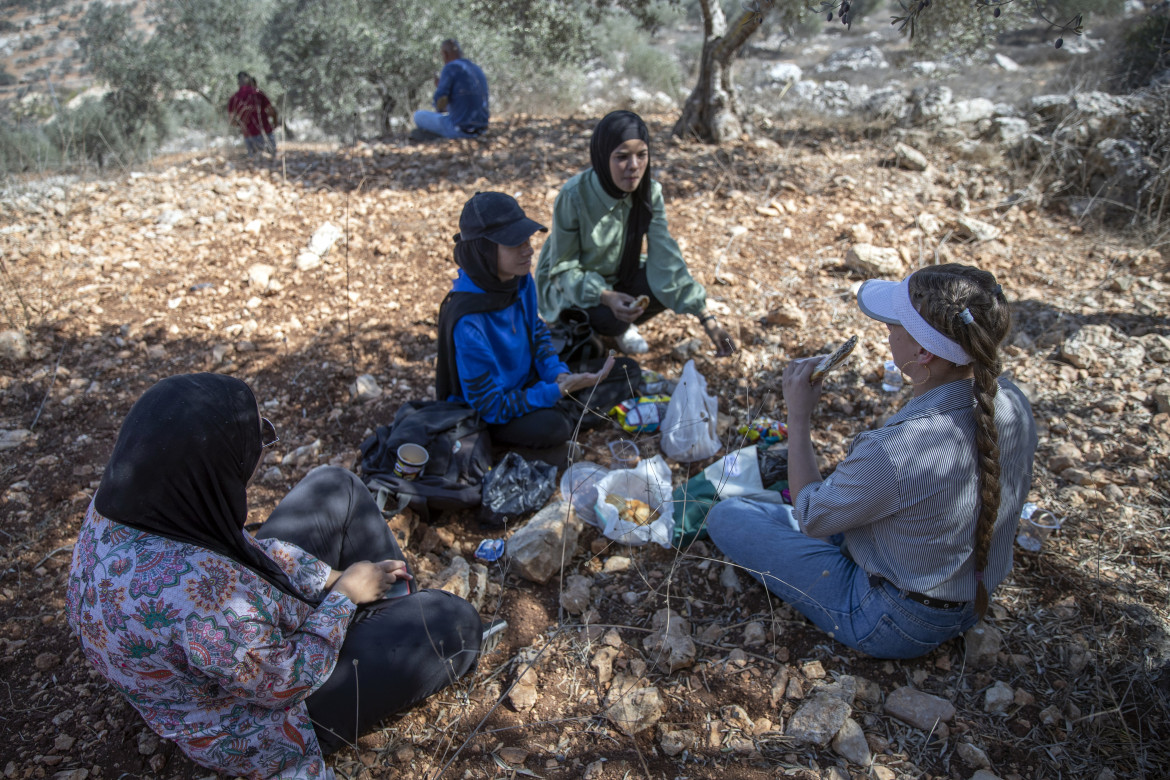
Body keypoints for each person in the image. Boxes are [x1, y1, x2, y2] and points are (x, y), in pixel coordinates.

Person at [65, 374, 485, 778]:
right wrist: (344, 596)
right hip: (258, 719)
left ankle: (391, 616)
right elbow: (283, 683)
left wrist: (329, 577)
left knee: (335, 484)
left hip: (239, 646)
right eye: (253, 444)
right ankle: (403, 628)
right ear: (210, 467)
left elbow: (241, 555)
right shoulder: (202, 605)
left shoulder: (133, 502)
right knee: (455, 623)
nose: (259, 452)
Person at [706, 264, 1038, 659]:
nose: (886, 330)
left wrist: (798, 416)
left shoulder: (895, 449)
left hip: (894, 620)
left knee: (726, 516)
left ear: (923, 352)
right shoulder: (1013, 402)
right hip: (973, 592)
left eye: (895, 323)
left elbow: (811, 516)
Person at [436, 191, 641, 451]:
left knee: (627, 370)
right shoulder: (468, 321)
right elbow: (490, 407)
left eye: (527, 239)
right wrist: (555, 393)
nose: (529, 250)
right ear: (484, 250)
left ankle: (561, 419)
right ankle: (545, 431)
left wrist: (558, 375)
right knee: (554, 427)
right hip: (495, 410)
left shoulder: (518, 279)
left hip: (533, 381)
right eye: (515, 243)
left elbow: (537, 332)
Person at [534, 110, 735, 357]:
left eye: (642, 155)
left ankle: (616, 323)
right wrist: (606, 296)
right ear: (602, 157)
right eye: (622, 157)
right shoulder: (574, 196)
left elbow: (667, 259)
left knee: (663, 287)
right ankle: (591, 328)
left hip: (617, 272)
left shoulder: (649, 193)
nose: (634, 167)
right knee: (610, 318)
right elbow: (563, 269)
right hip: (570, 284)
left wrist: (708, 320)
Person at [411, 39, 489, 141]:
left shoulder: (450, 68)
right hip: (482, 128)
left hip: (461, 129)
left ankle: (438, 137)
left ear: (445, 54)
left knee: (418, 116)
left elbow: (440, 103)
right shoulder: (475, 68)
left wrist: (440, 87)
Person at [227, 71, 278, 157]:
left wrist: (242, 125)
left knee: (255, 162)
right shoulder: (258, 93)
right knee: (271, 160)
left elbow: (232, 121)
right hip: (265, 132)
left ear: (238, 82)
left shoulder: (234, 98)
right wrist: (275, 122)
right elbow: (272, 111)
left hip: (249, 136)